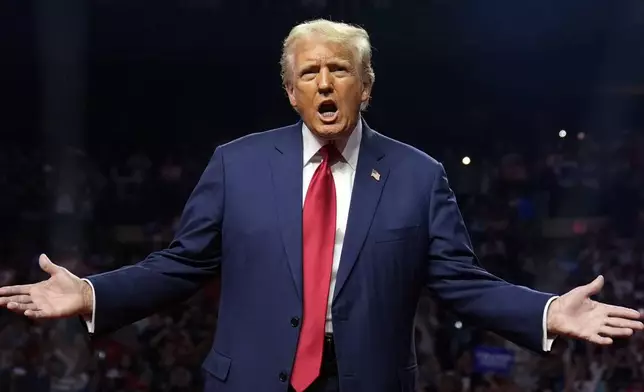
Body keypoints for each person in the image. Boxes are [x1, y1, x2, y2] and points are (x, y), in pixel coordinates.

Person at [0, 19, 642, 392]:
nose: (325, 82)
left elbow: (460, 284)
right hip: (250, 380)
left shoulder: (419, 177)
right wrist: (91, 294)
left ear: (365, 87)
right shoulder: (236, 164)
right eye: (309, 73)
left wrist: (551, 311)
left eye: (339, 70)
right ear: (290, 92)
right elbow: (180, 265)